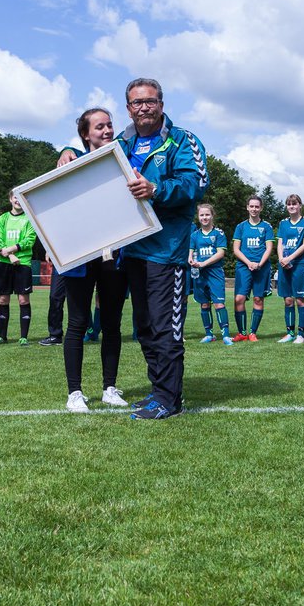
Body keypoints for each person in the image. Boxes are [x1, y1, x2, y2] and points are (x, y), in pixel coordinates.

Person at [117, 78, 209, 419]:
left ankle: (170, 400)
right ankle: (158, 391)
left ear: (161, 104)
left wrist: (156, 189)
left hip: (166, 252)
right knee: (143, 327)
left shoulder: (182, 140)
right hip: (133, 252)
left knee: (165, 327)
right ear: (128, 108)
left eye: (150, 101)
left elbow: (195, 184)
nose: (144, 107)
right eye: (137, 102)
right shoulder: (121, 144)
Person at [58, 108, 133, 412]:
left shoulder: (123, 160)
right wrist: (65, 152)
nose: (106, 130)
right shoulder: (72, 160)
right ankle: (74, 393)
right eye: (99, 126)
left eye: (109, 125)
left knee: (112, 323)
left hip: (113, 256)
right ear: (86, 134)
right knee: (77, 323)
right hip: (79, 256)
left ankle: (109, 388)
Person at [0, 189, 37, 345]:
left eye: (21, 198)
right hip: (4, 263)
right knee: (3, 299)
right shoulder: (2, 218)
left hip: (23, 263)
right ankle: (2, 336)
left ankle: (23, 337)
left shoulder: (30, 219)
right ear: (10, 199)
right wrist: (10, 255)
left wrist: (11, 250)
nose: (18, 200)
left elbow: (29, 240)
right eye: (15, 197)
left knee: (23, 300)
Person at [189, 203, 233, 346]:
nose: (204, 217)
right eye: (202, 215)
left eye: (207, 214)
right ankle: (209, 334)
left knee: (219, 304)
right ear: (198, 217)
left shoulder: (218, 233)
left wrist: (203, 263)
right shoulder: (194, 235)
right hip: (200, 274)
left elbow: (220, 253)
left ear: (212, 215)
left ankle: (226, 335)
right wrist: (191, 260)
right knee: (204, 304)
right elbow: (191, 253)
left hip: (215, 272)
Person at [232, 195, 274, 342]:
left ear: (261, 208)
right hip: (244, 266)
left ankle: (252, 333)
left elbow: (269, 248)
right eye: (252, 206)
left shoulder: (266, 227)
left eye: (257, 206)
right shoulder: (241, 227)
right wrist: (249, 262)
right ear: (247, 207)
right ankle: (242, 332)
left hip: (261, 267)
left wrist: (259, 264)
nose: (254, 209)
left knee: (258, 298)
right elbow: (236, 249)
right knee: (239, 298)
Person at [275, 194, 304, 344]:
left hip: (299, 264)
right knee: (288, 300)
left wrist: (290, 258)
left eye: (294, 204)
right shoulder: (283, 223)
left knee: (300, 300)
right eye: (289, 204)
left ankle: (301, 335)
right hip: (284, 264)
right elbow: (280, 243)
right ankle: (290, 333)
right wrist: (281, 259)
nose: (291, 206)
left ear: (300, 205)